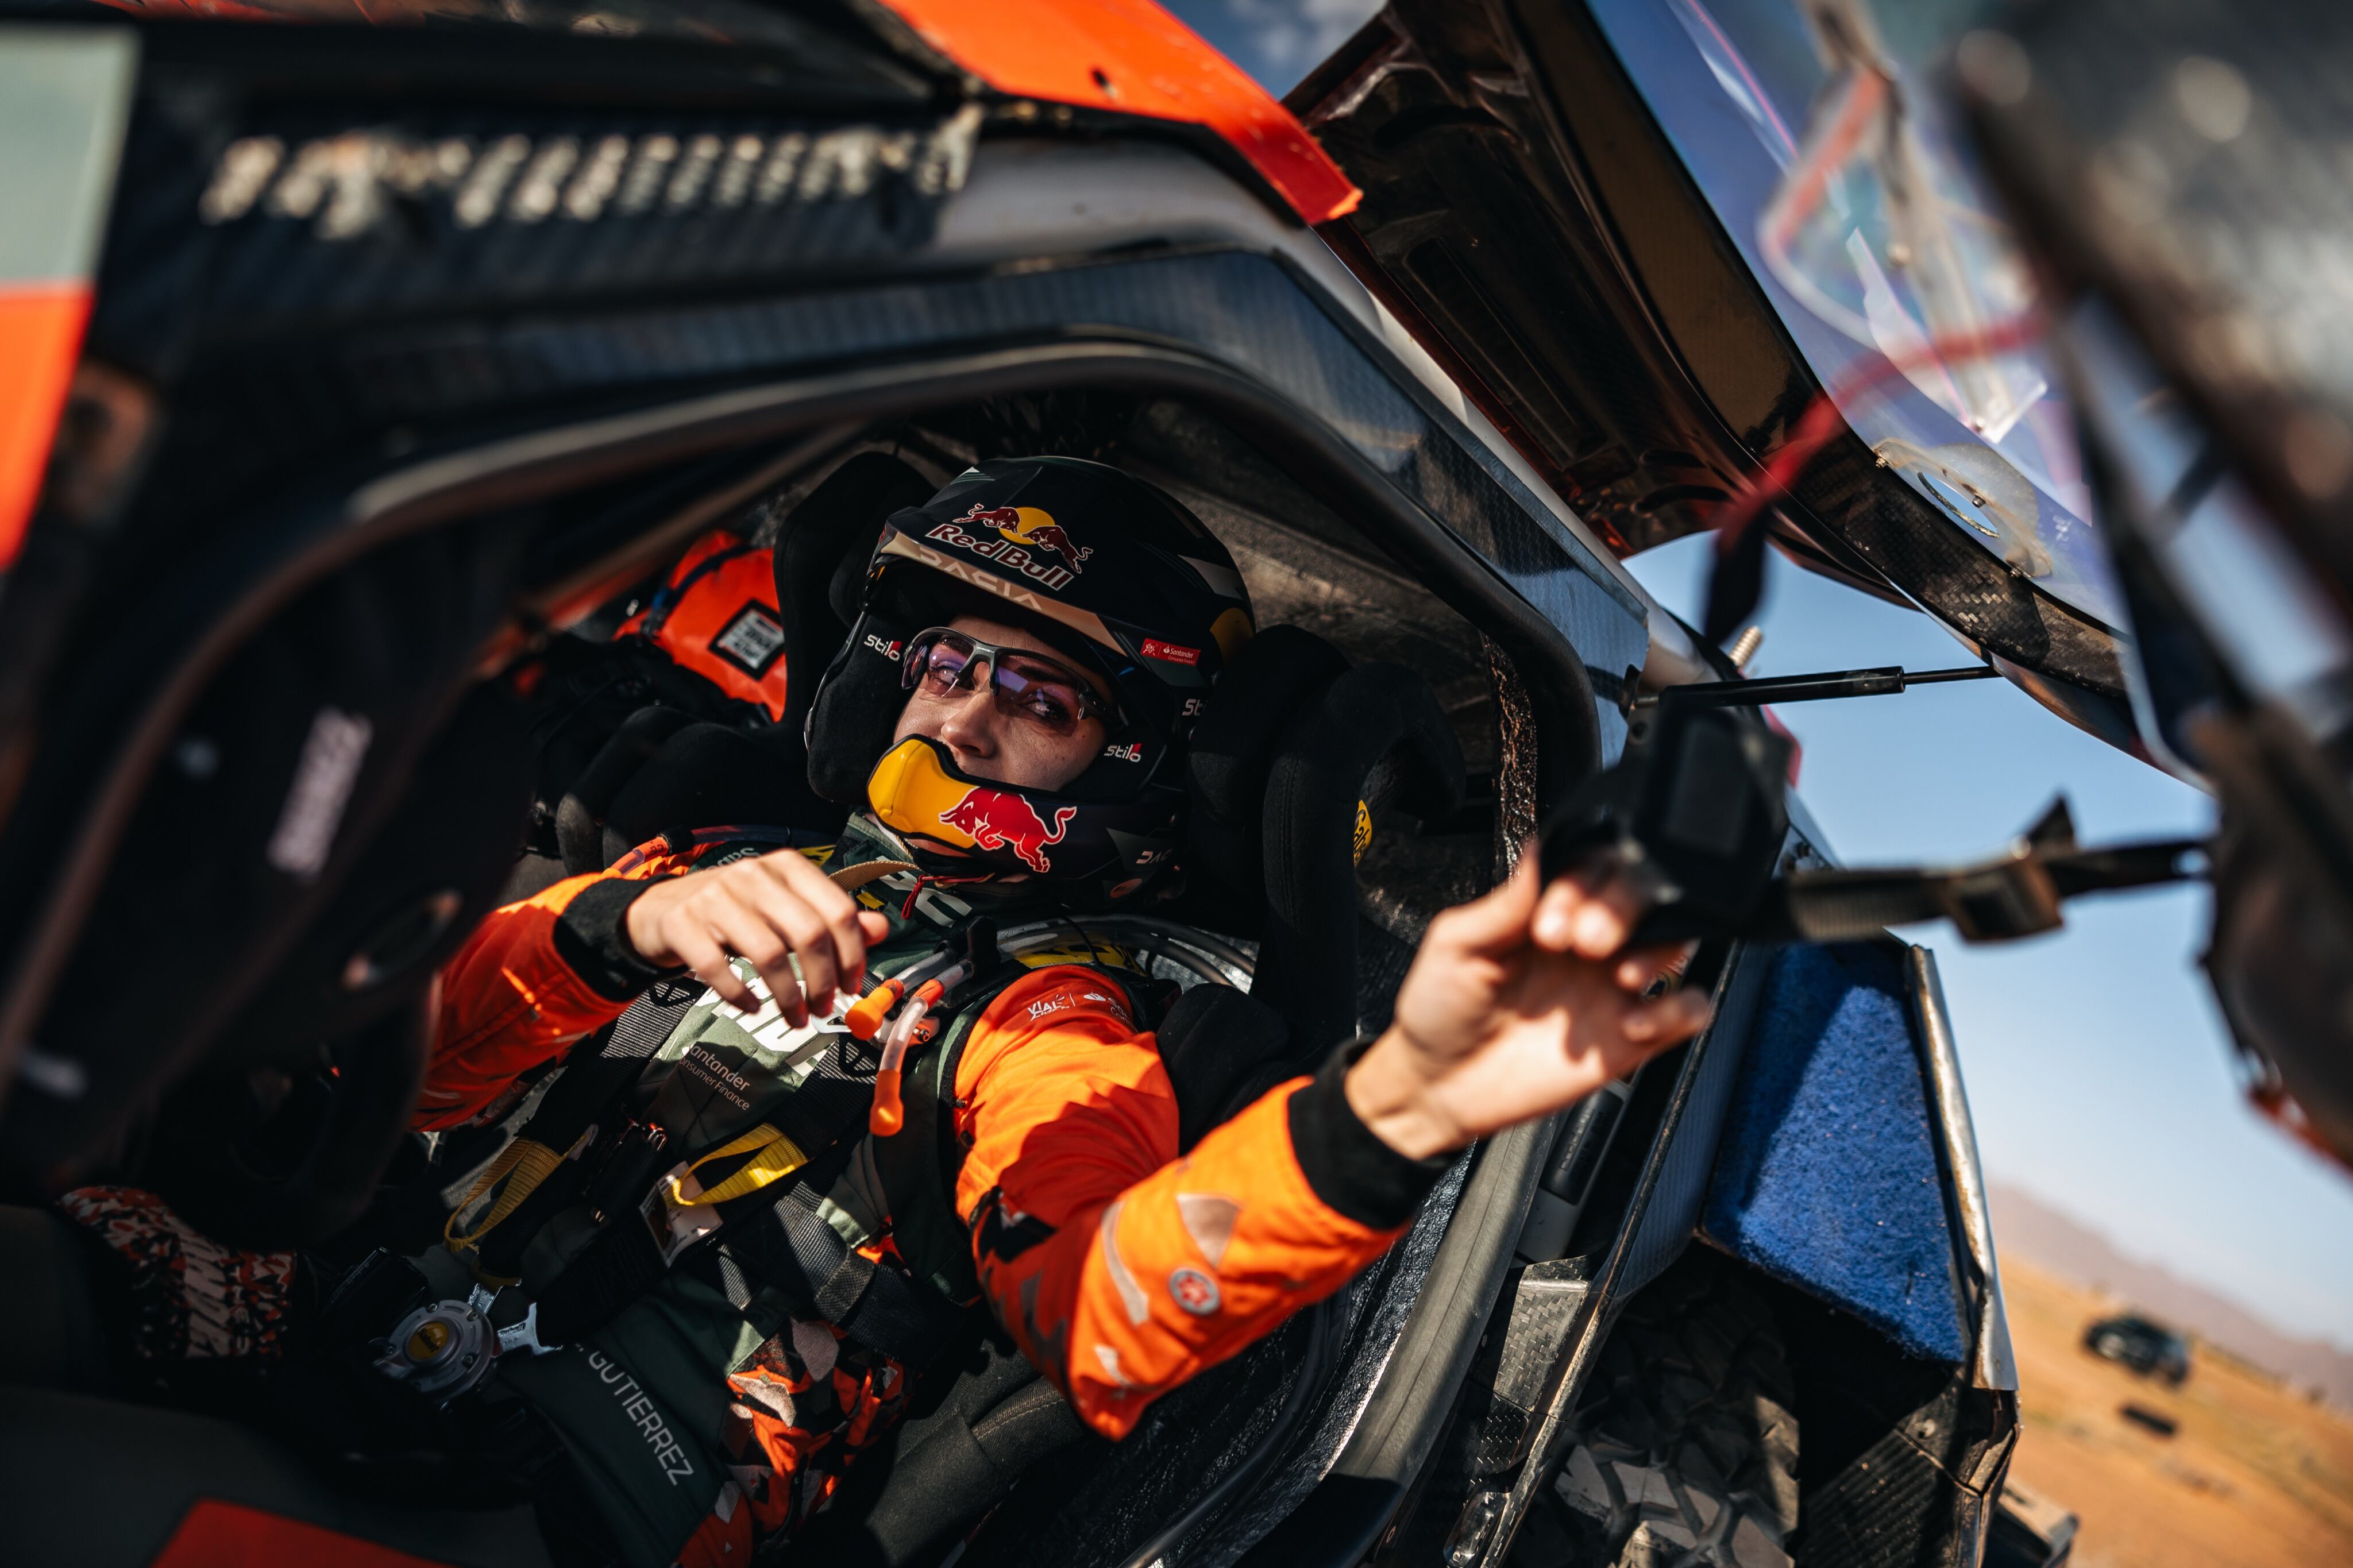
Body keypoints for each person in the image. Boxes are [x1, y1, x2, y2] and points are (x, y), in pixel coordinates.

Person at [407, 458, 1716, 1563]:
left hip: (576, 1515)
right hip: (367, 1325)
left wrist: (1384, 1119)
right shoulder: (711, 869)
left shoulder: (1051, 1021)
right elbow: (395, 1080)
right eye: (945, 664)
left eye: (1043, 698)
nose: (968, 719)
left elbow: (1102, 1303)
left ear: (1134, 759)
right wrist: (613, 933)